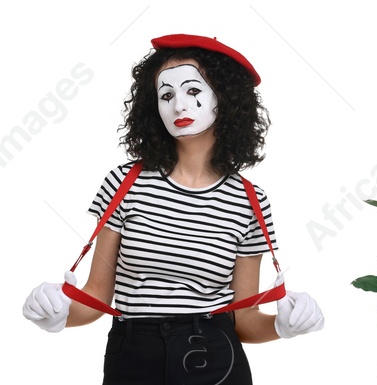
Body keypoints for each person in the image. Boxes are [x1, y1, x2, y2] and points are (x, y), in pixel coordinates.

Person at [20, 34, 325, 384]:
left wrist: (283, 326)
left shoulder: (249, 201)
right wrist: (55, 315)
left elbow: (244, 320)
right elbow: (94, 296)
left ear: (225, 99)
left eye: (193, 91)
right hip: (133, 356)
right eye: (167, 95)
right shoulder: (124, 184)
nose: (179, 105)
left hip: (217, 359)